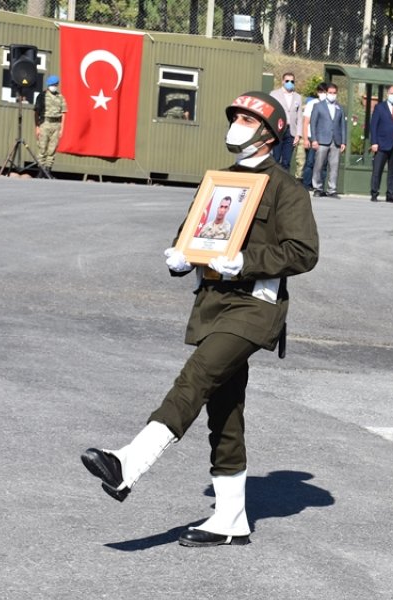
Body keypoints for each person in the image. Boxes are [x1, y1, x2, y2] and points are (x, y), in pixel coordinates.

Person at [80, 91, 319, 547]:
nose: (237, 125)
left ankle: (129, 462)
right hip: (212, 303)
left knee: (197, 376)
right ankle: (231, 518)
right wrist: (180, 255)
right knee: (224, 409)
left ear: (269, 134)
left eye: (248, 120)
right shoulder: (220, 181)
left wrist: (246, 262)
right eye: (236, 117)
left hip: (254, 305)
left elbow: (304, 251)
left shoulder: (287, 189)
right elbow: (195, 232)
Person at [368, 85, 393, 203]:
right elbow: (373, 126)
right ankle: (374, 193)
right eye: (392, 93)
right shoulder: (380, 108)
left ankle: (390, 194)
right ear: (387, 94)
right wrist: (374, 142)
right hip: (382, 144)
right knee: (377, 170)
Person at [309, 83, 347, 198]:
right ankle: (317, 188)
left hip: (336, 141)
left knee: (334, 166)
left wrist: (343, 141)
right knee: (318, 165)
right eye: (330, 92)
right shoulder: (318, 106)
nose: (332, 95)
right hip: (321, 140)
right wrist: (314, 140)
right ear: (326, 93)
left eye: (334, 93)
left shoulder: (339, 107)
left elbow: (343, 126)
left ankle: (332, 189)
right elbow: (313, 124)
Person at [268, 72, 302, 171]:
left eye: (292, 81)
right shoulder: (274, 94)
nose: (289, 83)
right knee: (276, 158)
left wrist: (298, 134)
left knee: (286, 161)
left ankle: (284, 180)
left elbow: (299, 117)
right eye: (287, 81)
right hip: (278, 130)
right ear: (283, 81)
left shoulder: (298, 97)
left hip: (291, 131)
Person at [33, 75, 66, 172]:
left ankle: (48, 171)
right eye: (52, 84)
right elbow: (36, 112)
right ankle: (41, 171)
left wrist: (62, 128)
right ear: (48, 85)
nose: (54, 86)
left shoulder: (60, 97)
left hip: (56, 124)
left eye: (55, 84)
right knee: (42, 149)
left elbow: (64, 113)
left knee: (52, 149)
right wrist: (37, 127)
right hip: (45, 123)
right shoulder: (42, 96)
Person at [300, 83, 327, 192]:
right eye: (320, 92)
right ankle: (306, 185)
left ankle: (319, 186)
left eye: (324, 92)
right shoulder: (312, 104)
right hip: (312, 137)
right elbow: (305, 122)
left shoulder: (331, 105)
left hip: (324, 139)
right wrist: (305, 139)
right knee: (310, 162)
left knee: (323, 164)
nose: (322, 94)